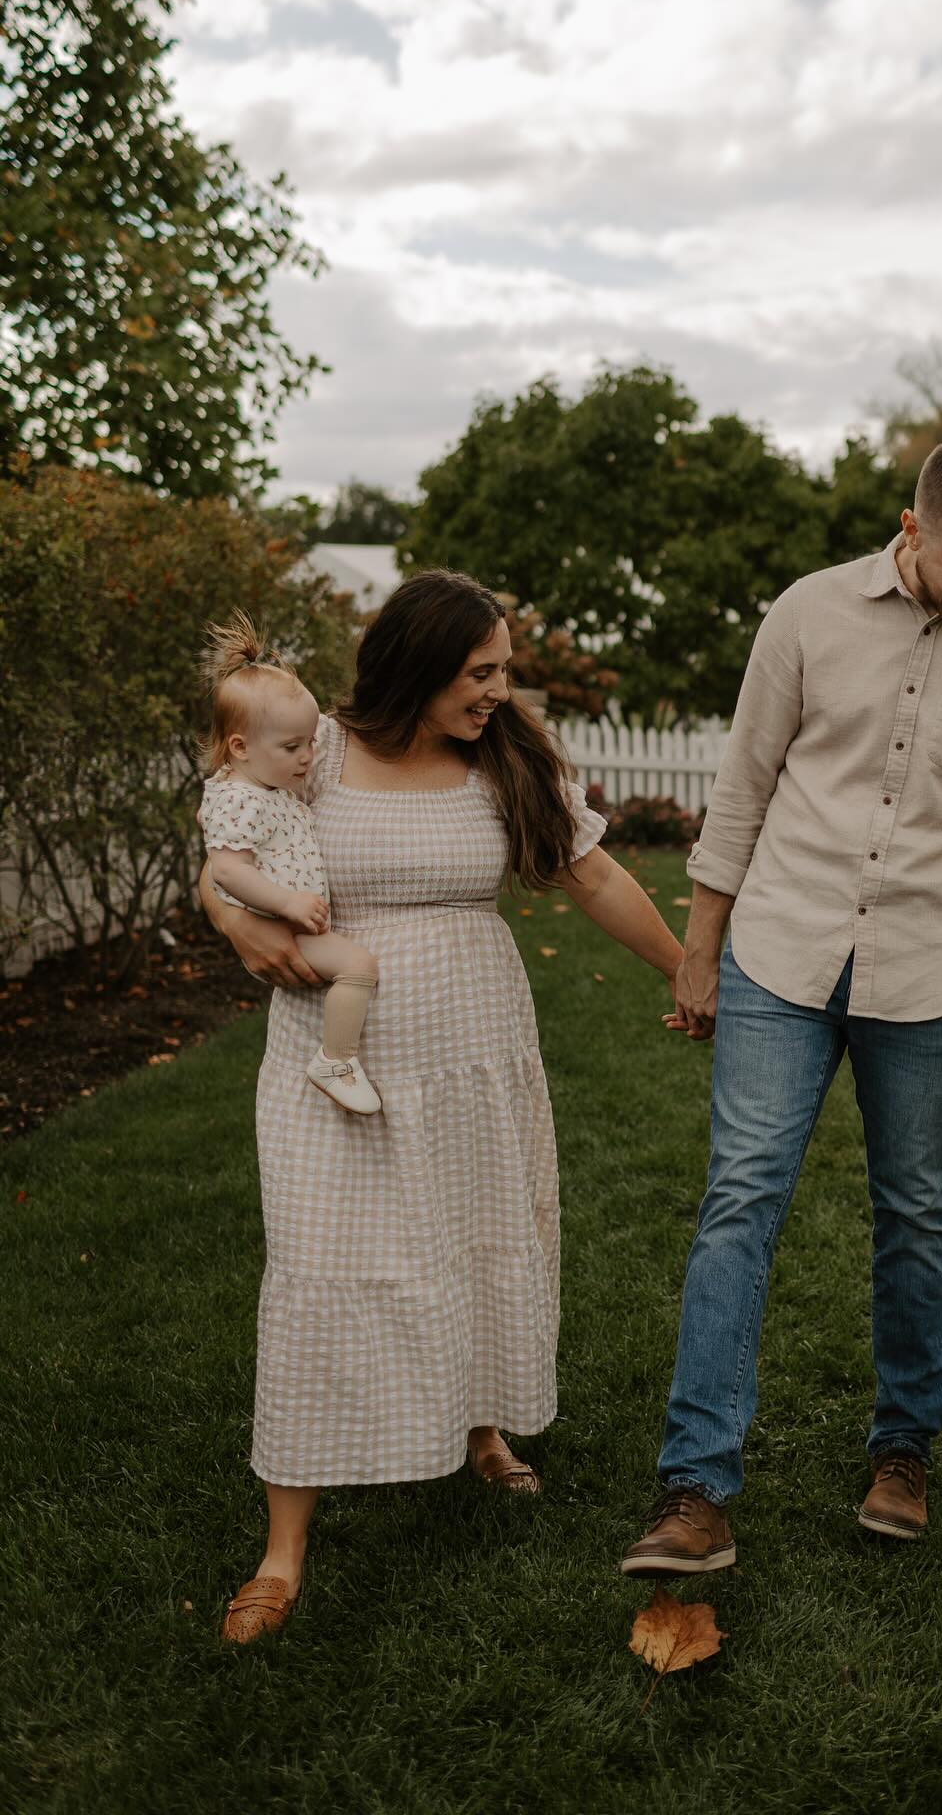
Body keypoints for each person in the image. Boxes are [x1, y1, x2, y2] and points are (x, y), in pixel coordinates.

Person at [623, 435, 942, 1579]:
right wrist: (701, 948)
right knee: (741, 1199)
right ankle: (696, 1487)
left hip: (927, 971)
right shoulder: (809, 614)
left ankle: (903, 1452)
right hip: (779, 951)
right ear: (915, 527)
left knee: (914, 1214)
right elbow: (743, 783)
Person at [202, 569, 684, 1644]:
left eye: (504, 670)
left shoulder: (503, 759)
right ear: (416, 668)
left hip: (473, 1044)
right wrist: (235, 925)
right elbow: (225, 850)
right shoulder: (313, 747)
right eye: (481, 673)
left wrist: (685, 972)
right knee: (319, 1263)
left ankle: (479, 1427)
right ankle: (285, 1546)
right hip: (340, 1050)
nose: (499, 692)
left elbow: (594, 877)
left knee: (472, 1237)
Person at [199, 612, 383, 1116]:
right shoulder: (241, 798)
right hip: (280, 925)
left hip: (291, 919)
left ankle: (337, 1057)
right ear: (240, 747)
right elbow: (227, 871)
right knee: (358, 966)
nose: (307, 757)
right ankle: (336, 1060)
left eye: (310, 744)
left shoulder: (270, 786)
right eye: (291, 747)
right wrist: (289, 904)